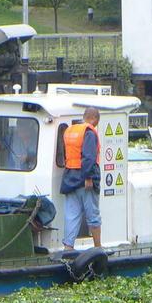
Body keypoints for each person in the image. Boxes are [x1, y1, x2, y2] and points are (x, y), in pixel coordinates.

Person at [60, 106, 102, 250]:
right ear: (94, 119)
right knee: (93, 214)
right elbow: (89, 157)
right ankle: (98, 248)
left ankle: (68, 248)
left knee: (71, 215)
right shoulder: (89, 132)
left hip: (70, 178)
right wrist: (88, 177)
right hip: (85, 180)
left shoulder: (70, 130)